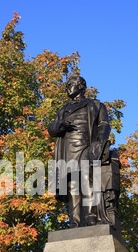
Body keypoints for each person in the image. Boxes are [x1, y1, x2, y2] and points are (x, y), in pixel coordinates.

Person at [48, 75, 120, 229]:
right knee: (73, 185)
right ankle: (74, 222)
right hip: (67, 150)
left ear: (81, 86)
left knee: (87, 181)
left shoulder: (95, 105)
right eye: (67, 85)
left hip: (87, 147)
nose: (67, 87)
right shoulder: (63, 110)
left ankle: (91, 217)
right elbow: (51, 129)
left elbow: (104, 124)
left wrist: (99, 142)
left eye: (70, 84)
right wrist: (60, 125)